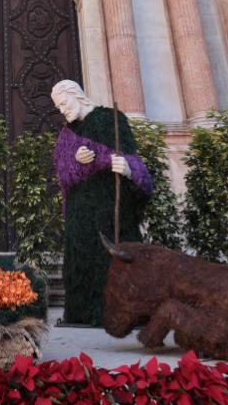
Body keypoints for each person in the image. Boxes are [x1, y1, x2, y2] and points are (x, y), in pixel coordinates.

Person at [51, 79, 153, 327]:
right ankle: (83, 313)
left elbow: (131, 158)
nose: (62, 110)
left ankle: (124, 313)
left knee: (116, 261)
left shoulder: (112, 120)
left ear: (77, 95)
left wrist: (128, 169)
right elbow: (63, 172)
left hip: (112, 207)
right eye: (59, 107)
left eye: (64, 103)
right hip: (81, 212)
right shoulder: (66, 135)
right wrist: (76, 161)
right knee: (83, 260)